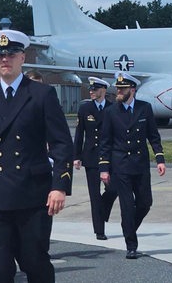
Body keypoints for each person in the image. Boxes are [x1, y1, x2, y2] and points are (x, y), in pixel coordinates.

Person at [0, 29, 74, 283]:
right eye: (0, 55)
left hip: (32, 195)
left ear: (22, 58)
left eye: (11, 54)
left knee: (34, 262)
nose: (5, 59)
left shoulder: (41, 94)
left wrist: (60, 186)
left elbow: (61, 144)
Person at [99, 72, 166, 259]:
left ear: (132, 90)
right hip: (121, 166)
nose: (118, 91)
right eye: (118, 88)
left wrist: (160, 159)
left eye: (122, 89)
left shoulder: (145, 109)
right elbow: (105, 142)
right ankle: (131, 245)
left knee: (145, 203)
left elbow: (153, 136)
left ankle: (128, 228)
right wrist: (104, 169)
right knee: (127, 206)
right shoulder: (111, 112)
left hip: (140, 165)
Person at [74, 77, 118, 241]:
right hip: (91, 156)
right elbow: (80, 134)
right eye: (91, 89)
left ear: (104, 90)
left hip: (109, 156)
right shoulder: (85, 108)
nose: (91, 91)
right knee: (94, 195)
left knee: (114, 189)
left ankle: (102, 211)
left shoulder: (113, 108)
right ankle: (99, 230)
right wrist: (76, 156)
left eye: (95, 89)